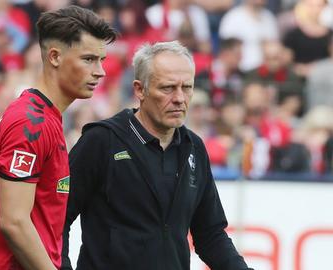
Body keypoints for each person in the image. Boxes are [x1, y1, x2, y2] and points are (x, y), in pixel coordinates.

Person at [61, 41, 252, 270]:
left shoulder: (194, 148)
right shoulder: (101, 141)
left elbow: (210, 234)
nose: (180, 98)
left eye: (187, 87)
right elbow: (57, 218)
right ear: (140, 89)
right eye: (168, 88)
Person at [0, 5, 117, 270]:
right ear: (54, 57)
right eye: (88, 59)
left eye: (101, 60)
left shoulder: (44, 117)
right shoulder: (31, 122)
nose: (100, 71)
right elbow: (13, 221)